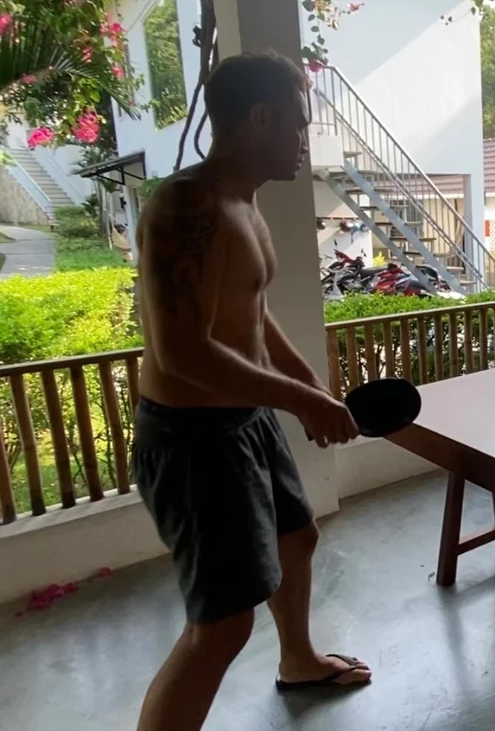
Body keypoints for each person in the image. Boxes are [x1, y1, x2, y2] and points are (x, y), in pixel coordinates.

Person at [131, 51, 366, 731]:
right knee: (222, 625)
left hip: (245, 421)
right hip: (193, 439)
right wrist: (302, 402)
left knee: (297, 538)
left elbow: (253, 314)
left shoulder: (244, 204)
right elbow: (182, 352)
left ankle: (297, 659)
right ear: (259, 119)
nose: (304, 138)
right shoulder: (187, 208)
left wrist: (309, 386)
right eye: (297, 122)